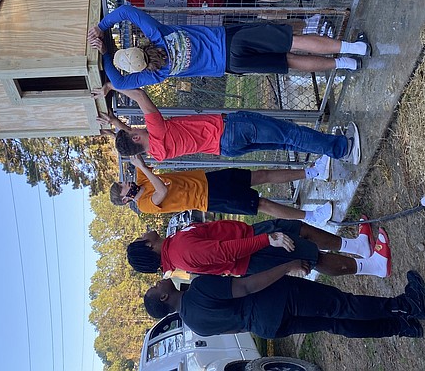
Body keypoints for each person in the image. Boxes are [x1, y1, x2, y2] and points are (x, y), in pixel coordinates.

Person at [88, 5, 370, 91]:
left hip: (231, 65)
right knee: (293, 40)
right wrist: (102, 28)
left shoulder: (158, 75)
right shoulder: (160, 35)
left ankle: (347, 65)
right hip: (231, 39)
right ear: (140, 44)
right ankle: (353, 47)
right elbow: (126, 11)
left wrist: (105, 55)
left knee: (290, 61)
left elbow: (119, 82)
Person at [143, 264, 425, 339]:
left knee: (334, 324)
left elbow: (236, 328)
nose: (159, 280)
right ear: (165, 297)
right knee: (339, 305)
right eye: (157, 286)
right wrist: (285, 267)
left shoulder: (195, 326)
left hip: (268, 326)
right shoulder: (199, 287)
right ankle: (409, 305)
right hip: (276, 300)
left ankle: (400, 326)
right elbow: (244, 287)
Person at [95, 86, 362, 165]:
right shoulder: (157, 131)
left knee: (285, 141)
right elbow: (140, 95)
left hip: (227, 148)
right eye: (135, 130)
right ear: (137, 139)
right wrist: (112, 85)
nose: (138, 126)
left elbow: (131, 137)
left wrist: (115, 124)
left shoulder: (157, 153)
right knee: (289, 133)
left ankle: (332, 147)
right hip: (231, 128)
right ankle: (340, 148)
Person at [126, 217, 392, 278]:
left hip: (252, 235)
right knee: (312, 258)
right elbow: (225, 252)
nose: (144, 233)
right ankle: (373, 267)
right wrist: (268, 240)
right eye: (140, 237)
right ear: (148, 245)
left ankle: (358, 245)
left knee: (299, 229)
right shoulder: (180, 252)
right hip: (254, 249)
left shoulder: (176, 245)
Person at [109, 155, 336, 225]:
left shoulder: (141, 177)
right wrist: (143, 169)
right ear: (126, 199)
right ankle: (311, 217)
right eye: (122, 187)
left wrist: (115, 129)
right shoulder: (144, 204)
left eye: (122, 182)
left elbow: (132, 146)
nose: (126, 183)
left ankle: (313, 172)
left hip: (208, 180)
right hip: (209, 198)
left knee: (259, 175)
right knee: (261, 203)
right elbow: (162, 191)